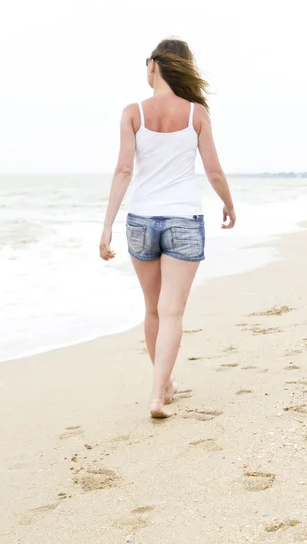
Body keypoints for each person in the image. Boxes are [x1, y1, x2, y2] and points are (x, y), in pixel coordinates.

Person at [99, 39, 236, 418]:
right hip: (184, 220)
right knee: (172, 312)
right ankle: (158, 394)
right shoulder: (197, 114)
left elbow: (124, 170)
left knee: (153, 311)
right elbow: (213, 170)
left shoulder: (133, 113)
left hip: (141, 220)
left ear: (155, 65)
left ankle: (164, 385)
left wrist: (107, 225)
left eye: (147, 64)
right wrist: (228, 202)